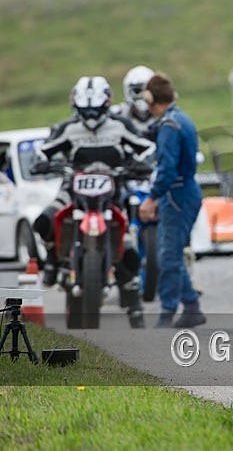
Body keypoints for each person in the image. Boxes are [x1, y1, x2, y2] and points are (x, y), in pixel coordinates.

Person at [33, 76, 155, 328]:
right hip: (72, 191)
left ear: (107, 102)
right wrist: (44, 164)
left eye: (95, 110)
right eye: (85, 110)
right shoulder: (66, 128)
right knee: (43, 221)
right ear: (75, 105)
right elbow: (41, 151)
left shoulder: (121, 125)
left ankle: (133, 303)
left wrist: (139, 164)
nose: (90, 116)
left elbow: (147, 148)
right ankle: (53, 260)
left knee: (129, 246)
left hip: (112, 193)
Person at [138, 73, 206, 328]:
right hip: (185, 191)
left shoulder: (169, 126)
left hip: (176, 194)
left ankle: (167, 311)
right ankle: (191, 306)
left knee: (167, 257)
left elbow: (166, 170)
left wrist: (152, 198)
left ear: (150, 100)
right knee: (173, 254)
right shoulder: (179, 118)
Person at [112, 65, 157, 138]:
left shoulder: (163, 116)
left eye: (148, 90)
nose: (144, 96)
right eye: (137, 91)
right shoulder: (116, 115)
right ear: (128, 91)